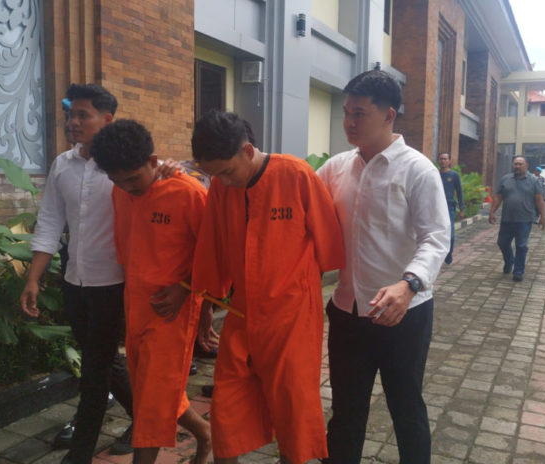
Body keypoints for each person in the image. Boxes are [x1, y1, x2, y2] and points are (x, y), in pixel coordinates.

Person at [190, 110, 345, 464]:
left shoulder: (296, 175)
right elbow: (213, 248)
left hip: (292, 316)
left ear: (247, 151)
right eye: (215, 176)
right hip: (242, 314)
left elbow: (328, 246)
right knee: (226, 409)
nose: (223, 182)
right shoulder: (222, 187)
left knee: (294, 409)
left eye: (227, 172)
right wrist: (205, 308)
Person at [317, 70, 450, 464]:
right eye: (346, 112)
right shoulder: (336, 168)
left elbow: (436, 237)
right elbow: (292, 193)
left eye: (359, 113)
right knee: (346, 411)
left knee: (406, 407)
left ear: (389, 115)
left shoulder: (417, 169)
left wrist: (408, 284)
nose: (349, 122)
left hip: (403, 314)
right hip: (348, 312)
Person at [21, 84, 137, 463]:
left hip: (114, 285)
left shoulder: (124, 166)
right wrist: (34, 278)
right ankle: (144, 416)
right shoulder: (62, 165)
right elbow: (50, 222)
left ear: (107, 120)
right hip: (75, 282)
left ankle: (80, 451)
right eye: (70, 114)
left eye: (82, 115)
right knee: (99, 358)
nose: (72, 122)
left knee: (94, 370)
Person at [90, 119, 212, 464]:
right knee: (152, 390)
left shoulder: (189, 193)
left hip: (173, 312)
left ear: (153, 161)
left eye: (133, 179)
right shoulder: (120, 192)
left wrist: (185, 289)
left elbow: (215, 252)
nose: (128, 188)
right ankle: (205, 434)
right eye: (118, 181)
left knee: (152, 404)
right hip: (136, 306)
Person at [489, 156, 545, 282]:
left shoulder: (534, 181)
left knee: (521, 245)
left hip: (524, 219)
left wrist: (543, 217)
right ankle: (509, 261)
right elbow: (498, 197)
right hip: (507, 218)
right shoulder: (505, 179)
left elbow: (539, 200)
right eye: (515, 164)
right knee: (502, 243)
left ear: (526, 166)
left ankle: (518, 271)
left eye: (520, 164)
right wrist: (492, 212)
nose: (517, 166)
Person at [437, 152, 464, 264]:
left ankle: (449, 253)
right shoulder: (435, 174)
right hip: (436, 208)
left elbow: (459, 192)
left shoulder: (454, 175)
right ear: (438, 161)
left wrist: (461, 209)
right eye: (441, 159)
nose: (443, 161)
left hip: (449, 208)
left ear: (449, 161)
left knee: (451, 235)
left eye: (445, 159)